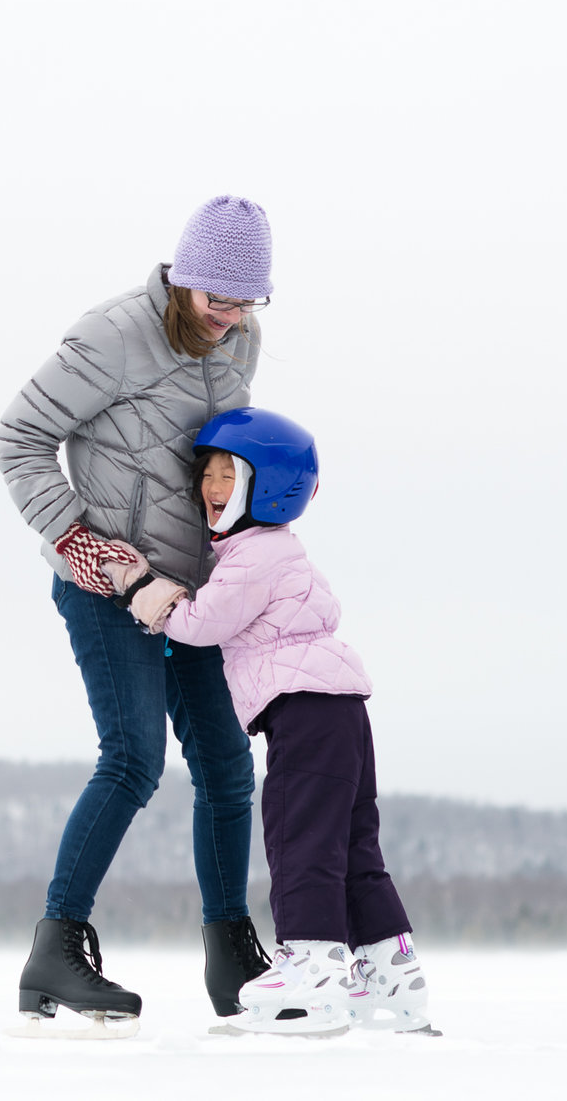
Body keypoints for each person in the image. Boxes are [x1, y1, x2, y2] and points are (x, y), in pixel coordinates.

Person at [0, 195, 277, 1038]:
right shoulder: (112, 333)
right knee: (133, 757)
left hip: (195, 589)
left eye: (245, 303)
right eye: (216, 300)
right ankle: (57, 945)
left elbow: (212, 459)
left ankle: (232, 954)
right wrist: (113, 567)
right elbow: (17, 439)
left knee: (229, 765)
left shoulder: (244, 339)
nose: (229, 320)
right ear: (182, 278)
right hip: (107, 582)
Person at [128, 408, 437, 1037]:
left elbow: (198, 625)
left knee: (302, 840)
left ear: (264, 486)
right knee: (352, 845)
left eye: (226, 475)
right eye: (206, 474)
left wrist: (148, 592)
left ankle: (311, 972)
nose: (211, 489)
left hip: (307, 713)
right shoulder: (276, 551)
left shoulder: (253, 556)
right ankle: (389, 969)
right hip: (341, 710)